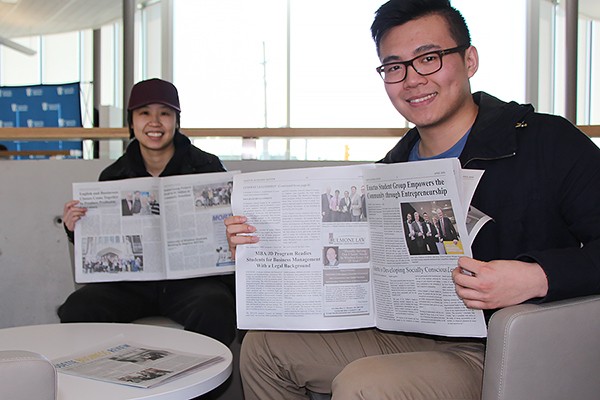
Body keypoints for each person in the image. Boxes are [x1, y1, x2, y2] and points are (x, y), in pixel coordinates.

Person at [225, 0, 600, 399]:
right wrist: (261, 250)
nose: (412, 79)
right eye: (394, 67)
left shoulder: (544, 141)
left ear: (469, 60)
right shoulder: (388, 170)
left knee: (364, 384)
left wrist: (535, 276)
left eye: (429, 58)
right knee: (263, 347)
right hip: (411, 332)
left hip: (505, 343)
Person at [59, 78, 237, 347]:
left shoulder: (206, 167)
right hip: (132, 284)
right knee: (79, 307)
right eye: (144, 113)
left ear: (176, 121)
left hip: (191, 282)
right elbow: (99, 243)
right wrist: (75, 228)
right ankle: (106, 381)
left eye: (164, 113)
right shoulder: (113, 175)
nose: (154, 122)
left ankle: (198, 385)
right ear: (132, 121)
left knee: (216, 305)